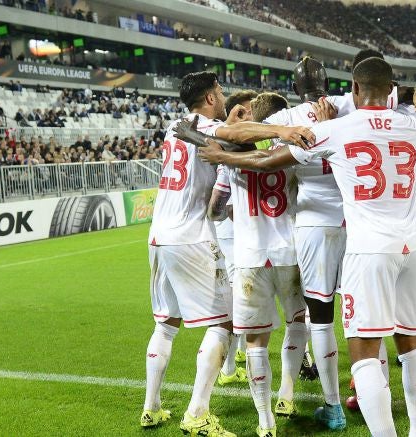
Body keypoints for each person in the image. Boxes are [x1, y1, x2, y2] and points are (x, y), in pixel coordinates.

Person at [173, 58, 416, 437]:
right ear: (392, 90)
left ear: (353, 88)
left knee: (361, 351)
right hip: (413, 248)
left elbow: (267, 159)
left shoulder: (336, 128)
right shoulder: (413, 123)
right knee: (412, 343)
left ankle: (354, 416)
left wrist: (222, 157)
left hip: (364, 248)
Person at [141, 70, 313, 437]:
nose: (223, 99)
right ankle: (197, 413)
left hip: (158, 235)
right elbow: (234, 138)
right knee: (223, 324)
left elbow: (227, 140)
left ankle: (151, 407)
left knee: (166, 324)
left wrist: (231, 126)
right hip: (192, 235)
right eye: (220, 93)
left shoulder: (177, 124)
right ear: (209, 98)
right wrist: (281, 131)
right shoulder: (207, 124)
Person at [261, 56, 347, 430]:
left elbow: (244, 135)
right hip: (357, 219)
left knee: (321, 317)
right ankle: (365, 383)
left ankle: (333, 407)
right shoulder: (348, 104)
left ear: (294, 89)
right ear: (328, 80)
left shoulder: (286, 117)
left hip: (313, 225)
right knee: (363, 314)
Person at [214, 90, 259, 387]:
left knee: (246, 295)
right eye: (249, 111)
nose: (254, 117)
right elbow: (223, 208)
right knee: (237, 297)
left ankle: (237, 358)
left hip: (238, 234)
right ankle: (227, 368)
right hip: (232, 235)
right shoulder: (229, 149)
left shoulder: (235, 145)